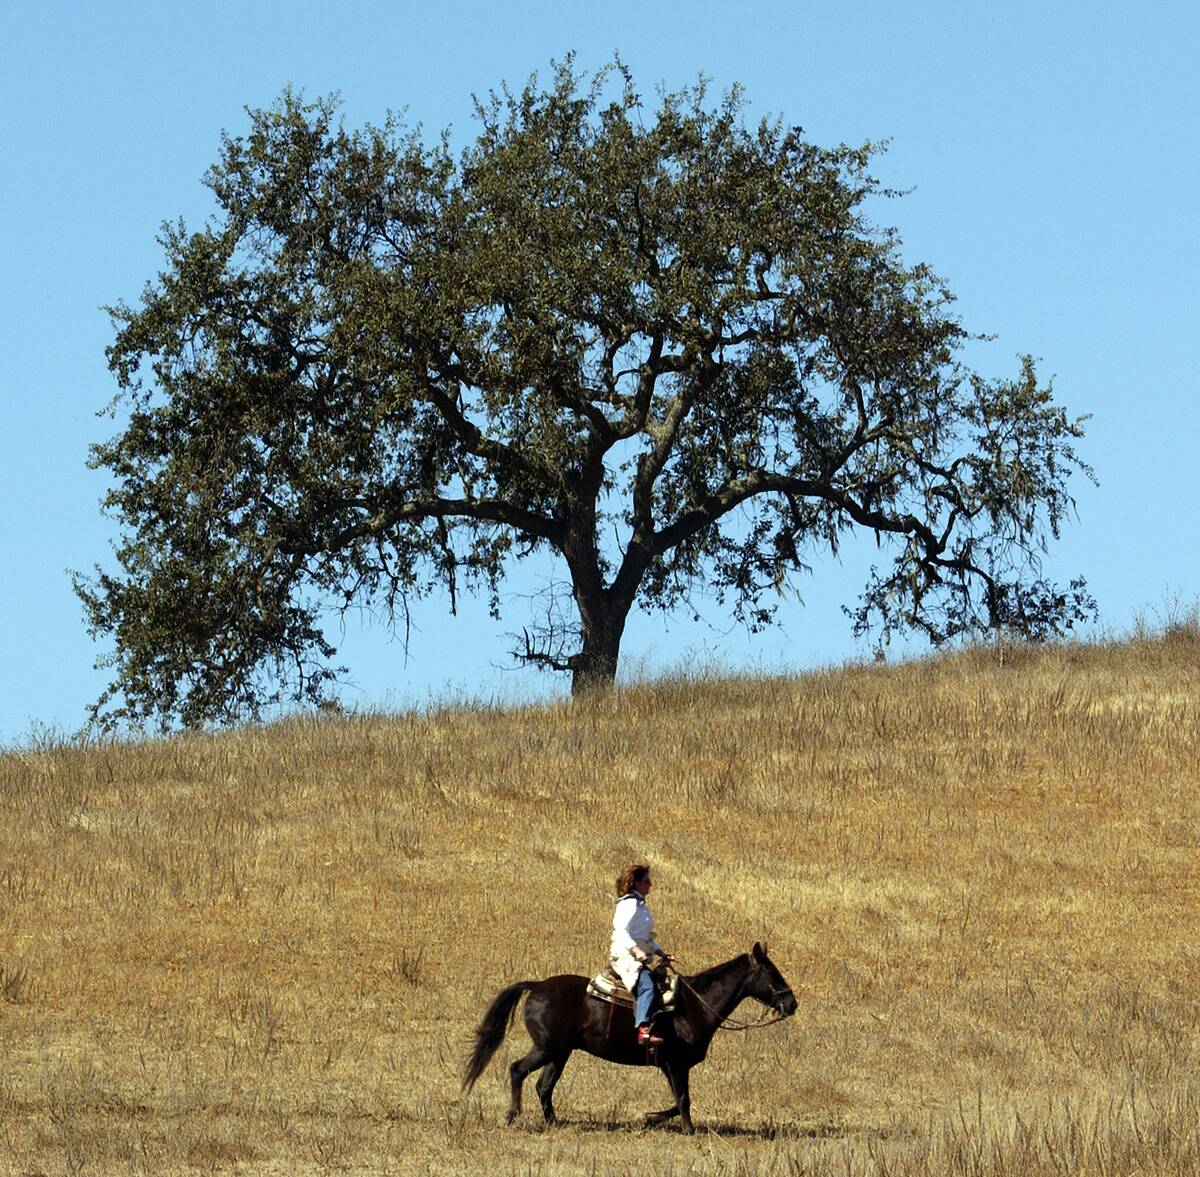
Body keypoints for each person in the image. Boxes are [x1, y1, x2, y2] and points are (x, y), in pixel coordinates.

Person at [610, 864, 672, 1046]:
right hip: (625, 955)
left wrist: (660, 952)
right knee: (647, 987)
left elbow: (645, 937)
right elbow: (621, 932)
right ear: (636, 883)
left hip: (638, 954)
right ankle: (643, 1030)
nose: (650, 885)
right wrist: (636, 951)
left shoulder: (640, 906)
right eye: (647, 881)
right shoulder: (628, 904)